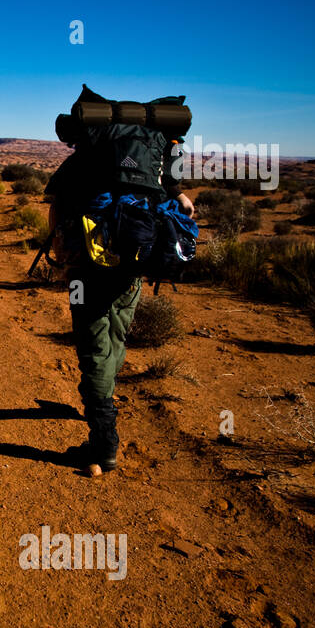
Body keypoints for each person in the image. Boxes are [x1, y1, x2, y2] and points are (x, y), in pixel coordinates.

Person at [45, 136, 195, 474]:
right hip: (134, 269)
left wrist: (62, 255)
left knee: (92, 348)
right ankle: (101, 399)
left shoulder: (80, 165)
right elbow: (186, 209)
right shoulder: (156, 172)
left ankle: (103, 445)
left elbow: (56, 207)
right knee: (115, 337)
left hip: (86, 272)